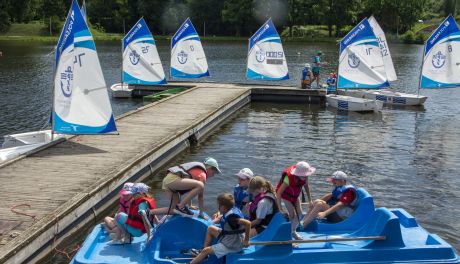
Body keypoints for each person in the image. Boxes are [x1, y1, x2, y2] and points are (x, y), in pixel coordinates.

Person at [190, 193, 251, 264]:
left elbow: (248, 223)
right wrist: (219, 215)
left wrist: (246, 240)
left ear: (224, 207)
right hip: (229, 237)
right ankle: (205, 255)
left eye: (219, 206)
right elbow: (225, 218)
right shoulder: (231, 209)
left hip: (233, 244)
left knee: (206, 251)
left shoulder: (232, 218)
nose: (218, 207)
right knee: (210, 228)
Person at [151, 157, 221, 218]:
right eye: (214, 172)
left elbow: (190, 191)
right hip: (173, 180)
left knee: (175, 210)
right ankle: (181, 206)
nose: (213, 175)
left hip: (168, 182)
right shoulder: (202, 175)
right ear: (210, 168)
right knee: (201, 186)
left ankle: (149, 212)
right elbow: (200, 197)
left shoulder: (197, 172)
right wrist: (201, 213)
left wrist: (190, 205)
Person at [275, 161, 315, 240]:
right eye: (304, 176)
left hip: (295, 196)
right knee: (292, 215)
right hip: (286, 196)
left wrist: (310, 200)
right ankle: (287, 236)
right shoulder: (288, 179)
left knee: (299, 214)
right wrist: (280, 209)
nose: (306, 177)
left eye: (307, 175)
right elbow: (278, 193)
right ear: (297, 174)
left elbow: (306, 187)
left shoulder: (305, 177)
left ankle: (293, 231)